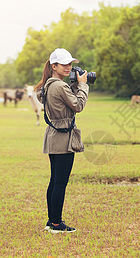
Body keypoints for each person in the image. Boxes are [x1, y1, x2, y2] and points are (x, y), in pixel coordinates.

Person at [34, 48, 89, 234]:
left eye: (70, 64)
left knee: (54, 181)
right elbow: (78, 105)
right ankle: (56, 224)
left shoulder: (48, 85)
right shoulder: (59, 86)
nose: (68, 67)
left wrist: (73, 85)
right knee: (60, 182)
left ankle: (52, 221)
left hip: (53, 136)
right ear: (54, 66)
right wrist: (83, 85)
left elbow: (66, 102)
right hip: (64, 138)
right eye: (64, 64)